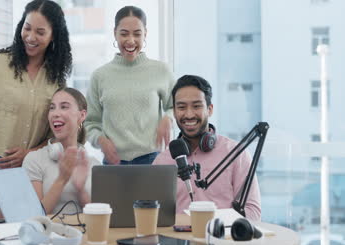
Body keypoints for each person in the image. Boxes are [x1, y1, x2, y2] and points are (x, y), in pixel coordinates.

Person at [0, 0, 72, 220]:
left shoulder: (56, 80)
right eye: (27, 28)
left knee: (21, 235)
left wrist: (30, 153)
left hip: (24, 168)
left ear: (53, 36)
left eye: (40, 32)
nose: (30, 37)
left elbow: (57, 134)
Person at [152, 75, 261, 221]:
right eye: (181, 107)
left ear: (209, 109)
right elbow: (153, 214)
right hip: (177, 241)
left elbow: (252, 213)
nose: (189, 114)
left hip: (221, 240)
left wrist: (212, 224)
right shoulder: (162, 161)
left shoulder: (236, 154)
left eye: (196, 106)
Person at [84, 6, 174, 165]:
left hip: (152, 160)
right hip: (114, 161)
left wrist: (168, 118)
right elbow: (90, 123)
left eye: (137, 34)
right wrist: (100, 140)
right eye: (124, 34)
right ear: (115, 33)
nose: (131, 41)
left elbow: (176, 106)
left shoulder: (161, 71)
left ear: (145, 34)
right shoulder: (99, 76)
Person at [23, 88, 100, 214]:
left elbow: (98, 217)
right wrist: (62, 178)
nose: (55, 113)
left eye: (64, 107)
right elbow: (35, 215)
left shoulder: (94, 164)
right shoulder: (34, 159)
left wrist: (81, 190)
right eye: (52, 108)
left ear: (82, 115)